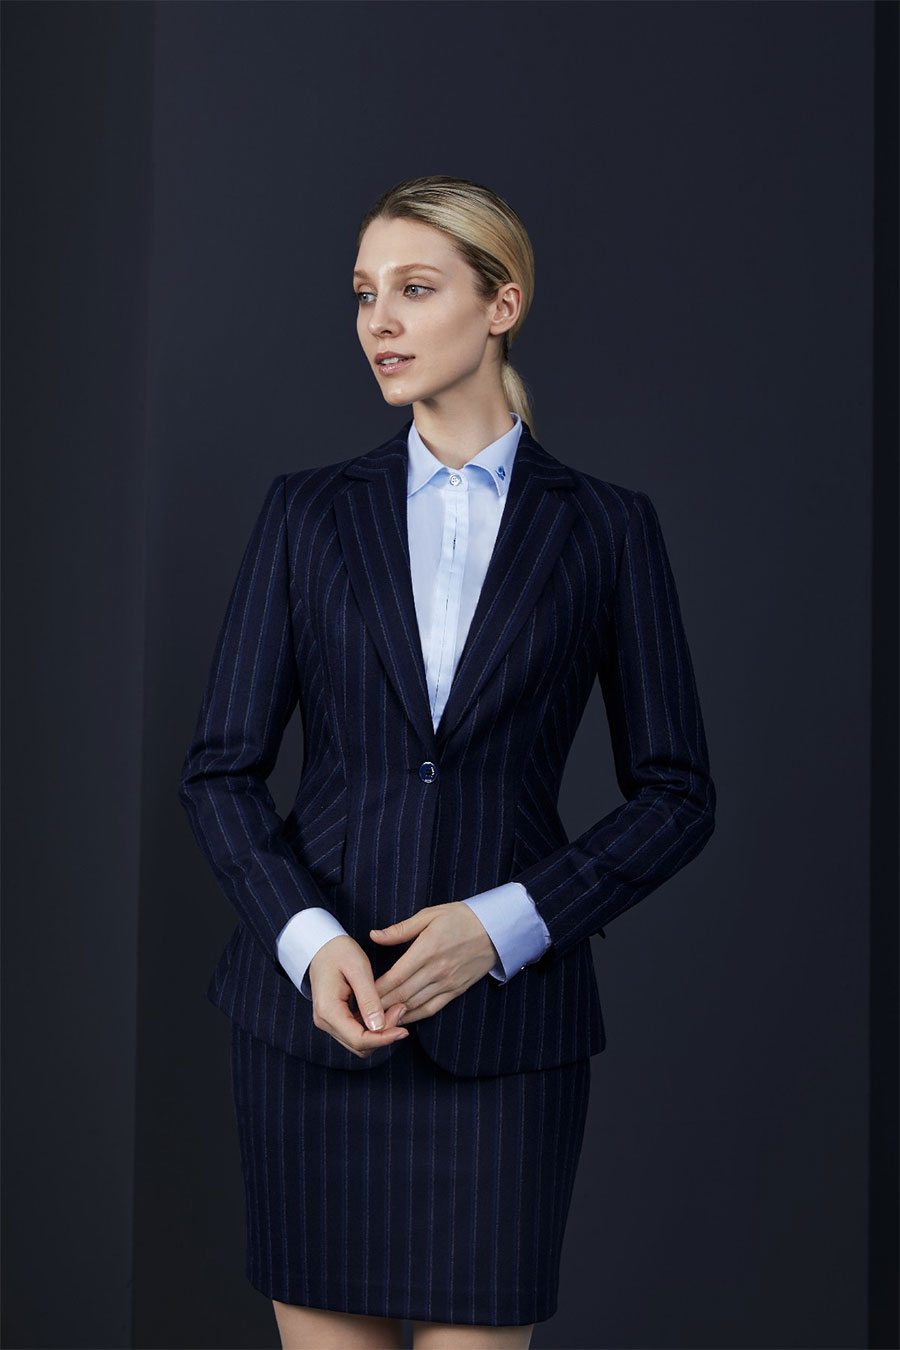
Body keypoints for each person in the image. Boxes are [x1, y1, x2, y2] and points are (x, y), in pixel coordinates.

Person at [178, 174, 716, 1350]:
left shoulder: (607, 527)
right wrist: (309, 944)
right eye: (363, 293)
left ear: (502, 304)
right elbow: (219, 770)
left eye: (415, 290)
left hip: (507, 1040)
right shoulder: (306, 514)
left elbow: (678, 794)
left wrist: (506, 924)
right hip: (314, 1029)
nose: (379, 321)